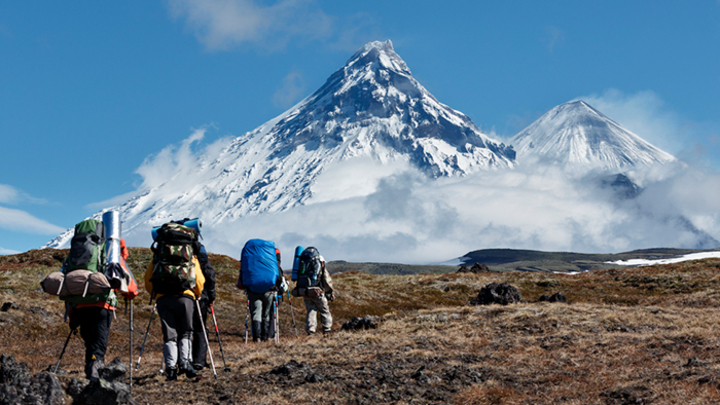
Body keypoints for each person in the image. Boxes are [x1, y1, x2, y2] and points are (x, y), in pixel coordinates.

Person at [145, 222, 205, 381]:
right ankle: (185, 363)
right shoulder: (190, 254)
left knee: (169, 334)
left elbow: (148, 279)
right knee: (186, 331)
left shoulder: (159, 254)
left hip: (164, 298)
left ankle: (171, 368)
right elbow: (199, 279)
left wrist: (156, 293)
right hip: (185, 296)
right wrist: (196, 293)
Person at [237, 241, 284, 342]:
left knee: (256, 313)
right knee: (266, 314)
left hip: (253, 289)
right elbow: (278, 275)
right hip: (269, 290)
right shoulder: (271, 257)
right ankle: (265, 337)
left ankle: (256, 338)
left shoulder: (251, 255)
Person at [295, 247, 334, 336]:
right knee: (324, 311)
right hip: (317, 292)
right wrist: (330, 292)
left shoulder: (304, 262)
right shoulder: (320, 263)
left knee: (311, 310)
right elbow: (326, 280)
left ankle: (311, 331)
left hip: (305, 291)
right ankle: (327, 330)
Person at [191, 242, 216, 371]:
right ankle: (198, 361)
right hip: (199, 295)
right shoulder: (198, 247)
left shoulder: (167, 245)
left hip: (174, 294)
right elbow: (208, 272)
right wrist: (211, 295)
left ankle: (181, 360)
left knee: (181, 328)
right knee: (200, 328)